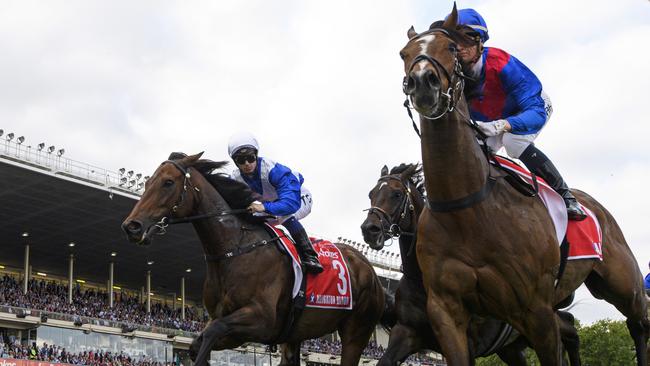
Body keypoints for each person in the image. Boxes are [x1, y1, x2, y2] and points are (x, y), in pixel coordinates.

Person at [452, 8, 586, 221]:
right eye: (454, 40)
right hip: (493, 118)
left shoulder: (501, 63)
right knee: (473, 151)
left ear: (480, 42)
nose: (459, 47)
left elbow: (536, 112)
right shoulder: (454, 73)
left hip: (532, 107)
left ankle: (566, 196)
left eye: (466, 39)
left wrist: (502, 125)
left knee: (513, 142)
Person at [227, 132, 324, 274]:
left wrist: (263, 207)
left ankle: (310, 256)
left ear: (256, 155)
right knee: (254, 221)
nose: (247, 164)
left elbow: (290, 204)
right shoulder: (235, 178)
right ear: (235, 162)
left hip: (298, 199)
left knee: (284, 215)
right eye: (241, 160)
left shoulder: (273, 170)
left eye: (250, 158)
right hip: (273, 203)